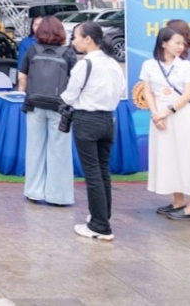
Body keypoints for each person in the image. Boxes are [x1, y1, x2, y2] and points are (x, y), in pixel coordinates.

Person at [141, 26, 190, 220]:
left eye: (183, 43)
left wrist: (166, 112)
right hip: (159, 117)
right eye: (177, 43)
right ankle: (178, 201)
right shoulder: (149, 65)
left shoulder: (187, 66)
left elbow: (189, 94)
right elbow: (147, 91)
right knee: (169, 157)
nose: (181, 47)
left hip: (182, 115)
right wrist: (156, 114)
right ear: (164, 44)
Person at [64, 21, 126, 241]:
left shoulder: (85, 65)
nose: (74, 41)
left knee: (92, 173)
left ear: (88, 39)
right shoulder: (113, 63)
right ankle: (101, 217)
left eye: (76, 36)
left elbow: (70, 95)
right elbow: (121, 90)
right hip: (108, 119)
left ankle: (100, 226)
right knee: (102, 171)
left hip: (87, 120)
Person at [18, 15, 77, 206]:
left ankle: (34, 191)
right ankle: (59, 196)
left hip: (34, 104)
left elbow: (22, 76)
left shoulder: (32, 50)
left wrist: (26, 92)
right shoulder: (68, 53)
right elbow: (75, 80)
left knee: (34, 148)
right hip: (59, 107)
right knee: (59, 151)